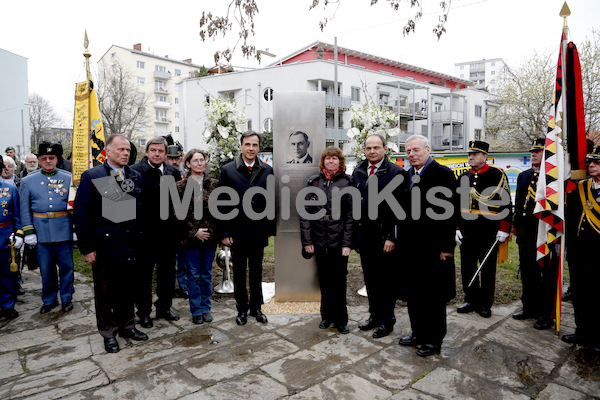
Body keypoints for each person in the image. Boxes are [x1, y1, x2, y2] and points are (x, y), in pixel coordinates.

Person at [73, 134, 148, 353]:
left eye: (127, 150)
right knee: (106, 291)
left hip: (129, 243)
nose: (125, 153)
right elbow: (82, 214)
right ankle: (108, 332)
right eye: (120, 150)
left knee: (127, 288)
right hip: (105, 244)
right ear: (107, 151)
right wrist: (87, 248)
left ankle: (127, 326)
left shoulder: (134, 175)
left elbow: (137, 210)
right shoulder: (94, 175)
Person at [398, 134, 457, 357]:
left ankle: (434, 340)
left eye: (415, 150)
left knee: (433, 296)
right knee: (414, 293)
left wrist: (446, 248)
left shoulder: (443, 175)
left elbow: (450, 214)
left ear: (427, 150)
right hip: (410, 249)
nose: (412, 155)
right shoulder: (406, 176)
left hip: (434, 249)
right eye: (408, 152)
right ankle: (417, 333)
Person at [352, 133, 407, 338]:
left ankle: (387, 320)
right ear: (364, 150)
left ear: (385, 149)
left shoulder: (396, 172)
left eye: (376, 147)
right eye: (368, 148)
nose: (372, 151)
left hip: (385, 238)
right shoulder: (358, 171)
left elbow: (401, 209)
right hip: (365, 237)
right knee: (371, 279)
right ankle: (374, 316)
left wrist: (392, 237)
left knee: (386, 281)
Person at [219, 131, 275, 325]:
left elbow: (272, 201)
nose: (251, 148)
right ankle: (241, 309)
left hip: (258, 231)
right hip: (237, 232)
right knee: (240, 272)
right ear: (241, 146)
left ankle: (256, 309)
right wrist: (225, 232)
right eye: (247, 144)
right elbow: (222, 204)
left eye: (255, 145)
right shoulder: (228, 170)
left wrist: (269, 228)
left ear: (259, 148)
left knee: (257, 272)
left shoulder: (267, 171)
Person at [300, 146, 354, 334]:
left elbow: (350, 216)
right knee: (324, 280)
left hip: (338, 242)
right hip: (319, 240)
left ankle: (341, 319)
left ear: (340, 161)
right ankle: (326, 316)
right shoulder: (313, 182)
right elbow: (305, 214)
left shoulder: (347, 182)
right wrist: (307, 241)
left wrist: (347, 243)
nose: (331, 161)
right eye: (328, 158)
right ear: (323, 161)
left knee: (339, 281)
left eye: (335, 158)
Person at [456, 140, 512, 318]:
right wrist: (456, 227)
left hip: (489, 229)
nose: (471, 157)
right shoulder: (463, 177)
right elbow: (455, 204)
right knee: (467, 266)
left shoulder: (497, 175)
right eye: (469, 154)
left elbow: (506, 204)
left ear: (485, 156)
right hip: (467, 229)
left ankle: (485, 303)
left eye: (475, 154)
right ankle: (471, 299)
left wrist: (504, 228)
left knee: (487, 268)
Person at [131, 137, 182, 327]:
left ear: (166, 153)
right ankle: (144, 312)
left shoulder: (173, 173)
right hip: (144, 235)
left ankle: (164, 307)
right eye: (153, 150)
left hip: (168, 235)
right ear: (147, 152)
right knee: (143, 276)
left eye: (161, 151)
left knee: (167, 274)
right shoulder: (135, 172)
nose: (157, 154)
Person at [20, 142, 75, 314]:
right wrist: (28, 231)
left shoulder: (68, 178)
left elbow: (74, 205)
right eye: (44, 158)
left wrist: (74, 229)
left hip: (63, 228)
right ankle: (49, 299)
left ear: (57, 159)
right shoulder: (27, 181)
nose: (48, 161)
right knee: (46, 269)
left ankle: (66, 298)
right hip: (41, 232)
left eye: (51, 158)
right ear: (38, 160)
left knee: (67, 268)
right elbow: (24, 208)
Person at [512, 138, 556, 330]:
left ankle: (546, 314)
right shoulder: (524, 175)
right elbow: (519, 204)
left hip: (543, 234)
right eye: (532, 151)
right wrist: (516, 228)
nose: (533, 154)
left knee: (546, 277)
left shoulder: (553, 180)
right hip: (526, 234)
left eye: (538, 151)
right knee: (528, 274)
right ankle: (529, 307)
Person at [562, 145, 600, 353]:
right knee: (581, 296)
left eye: (596, 163)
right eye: (589, 162)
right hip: (579, 254)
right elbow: (572, 216)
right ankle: (581, 332)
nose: (591, 165)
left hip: (598, 255)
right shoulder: (581, 187)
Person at [175, 149, 218, 324]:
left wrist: (209, 231)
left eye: (202, 160)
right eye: (195, 161)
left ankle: (206, 307)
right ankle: (196, 309)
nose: (200, 163)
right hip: (190, 238)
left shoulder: (214, 184)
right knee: (192, 275)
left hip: (209, 236)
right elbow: (177, 213)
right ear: (187, 164)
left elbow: (219, 210)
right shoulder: (180, 187)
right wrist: (193, 232)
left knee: (206, 274)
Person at [0, 155, 24, 320]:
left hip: (4, 237)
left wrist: (18, 233)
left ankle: (7, 304)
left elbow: (17, 214)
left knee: (6, 274)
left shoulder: (9, 189)